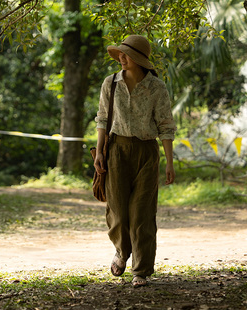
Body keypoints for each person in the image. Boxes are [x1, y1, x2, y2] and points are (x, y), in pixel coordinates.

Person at [94, 35, 176, 288]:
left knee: (142, 213)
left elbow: (165, 125)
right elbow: (102, 119)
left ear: (139, 59)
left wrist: (170, 162)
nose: (121, 58)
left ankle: (140, 270)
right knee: (117, 211)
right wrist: (99, 152)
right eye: (120, 53)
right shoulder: (111, 83)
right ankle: (121, 251)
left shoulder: (157, 88)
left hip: (146, 153)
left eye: (126, 55)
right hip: (116, 150)